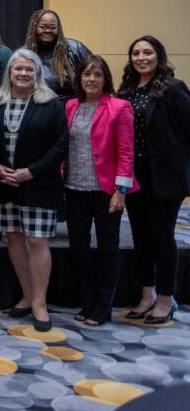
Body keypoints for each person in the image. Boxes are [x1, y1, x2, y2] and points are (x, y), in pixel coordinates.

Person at [0, 48, 68, 332]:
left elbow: (60, 145)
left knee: (37, 241)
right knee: (13, 238)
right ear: (9, 72)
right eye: (17, 69)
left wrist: (30, 172)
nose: (22, 73)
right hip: (3, 184)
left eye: (28, 70)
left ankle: (39, 302)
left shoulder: (51, 103)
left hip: (39, 183)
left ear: (37, 74)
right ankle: (25, 294)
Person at [118, 36, 190, 325]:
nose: (141, 57)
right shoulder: (126, 91)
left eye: (147, 52)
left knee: (162, 236)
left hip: (165, 176)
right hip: (135, 174)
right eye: (136, 52)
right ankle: (146, 295)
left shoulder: (172, 89)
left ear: (158, 56)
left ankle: (165, 298)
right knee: (141, 236)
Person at [64, 55, 136, 327]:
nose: (91, 79)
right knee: (78, 248)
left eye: (97, 75)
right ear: (79, 78)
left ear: (105, 78)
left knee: (108, 247)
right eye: (87, 75)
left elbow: (126, 153)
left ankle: (103, 305)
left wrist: (121, 190)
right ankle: (87, 300)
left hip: (106, 190)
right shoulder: (71, 106)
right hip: (74, 188)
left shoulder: (120, 107)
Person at [23, 9, 91, 103]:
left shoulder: (76, 48)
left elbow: (94, 74)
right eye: (42, 27)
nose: (48, 31)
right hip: (37, 108)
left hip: (70, 109)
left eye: (53, 27)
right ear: (33, 28)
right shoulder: (25, 54)